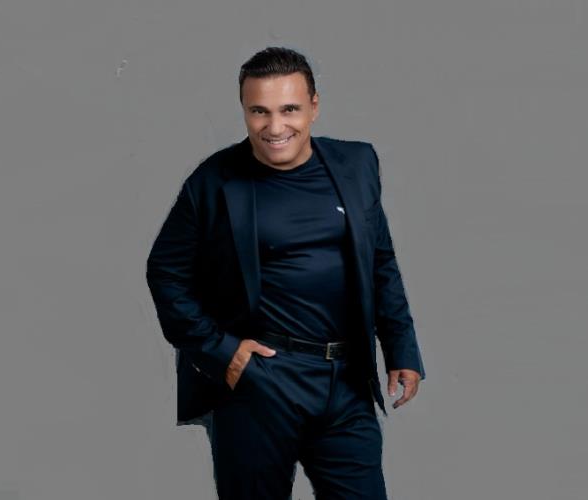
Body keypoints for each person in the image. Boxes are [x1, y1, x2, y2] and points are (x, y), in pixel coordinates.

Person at [145, 46, 426, 500]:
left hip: (346, 380)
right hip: (262, 380)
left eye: (289, 109)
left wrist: (401, 347)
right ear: (244, 110)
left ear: (314, 106)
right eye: (259, 111)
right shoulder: (213, 181)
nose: (275, 128)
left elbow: (380, 260)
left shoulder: (357, 165)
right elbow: (165, 272)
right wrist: (222, 352)